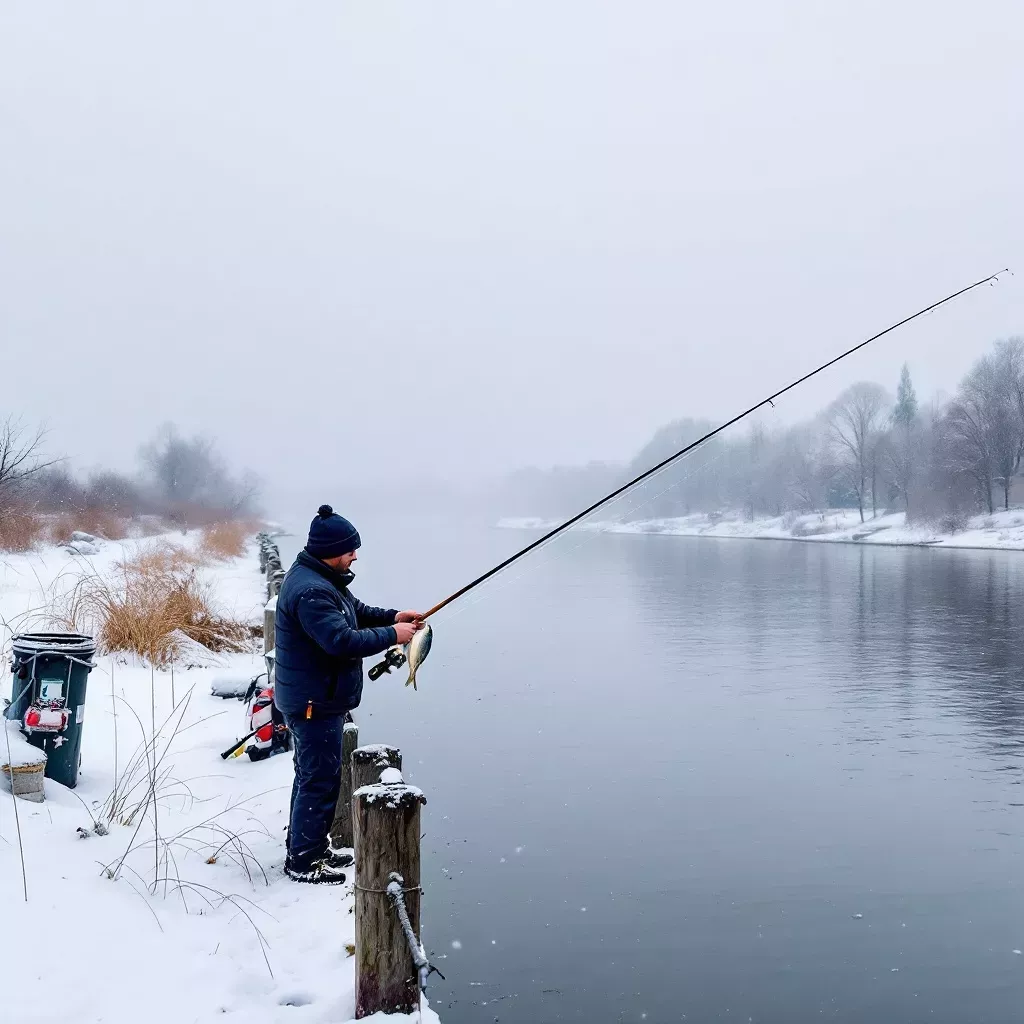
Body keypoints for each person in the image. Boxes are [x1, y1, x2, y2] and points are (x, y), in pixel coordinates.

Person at [273, 504, 422, 884]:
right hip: (312, 703)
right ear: (331, 550)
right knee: (318, 780)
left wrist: (393, 617)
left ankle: (309, 848)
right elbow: (340, 640)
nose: (355, 555)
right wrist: (394, 637)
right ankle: (304, 863)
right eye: (349, 550)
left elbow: (355, 611)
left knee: (314, 775)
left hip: (316, 697)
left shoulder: (321, 579)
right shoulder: (311, 591)